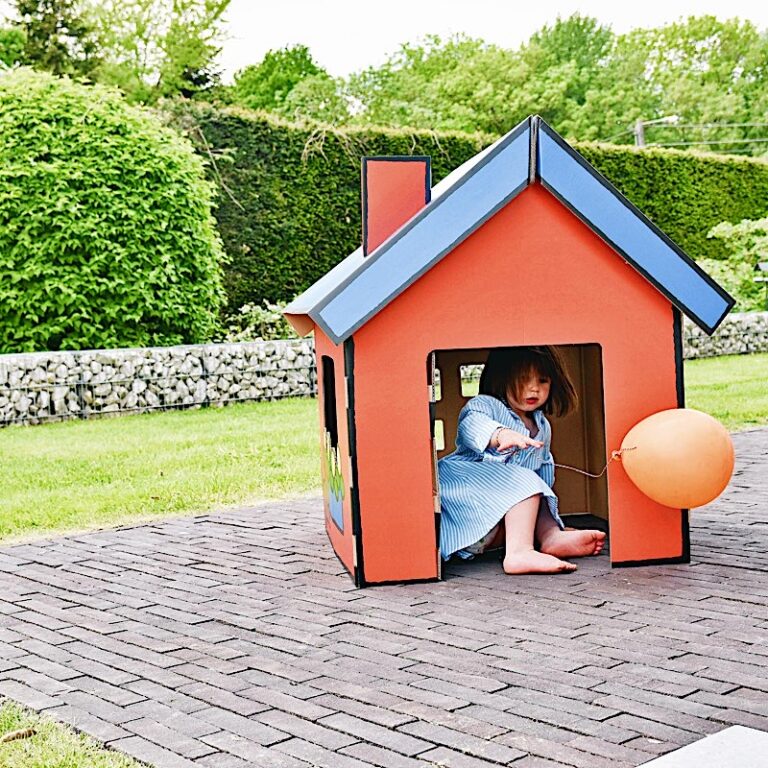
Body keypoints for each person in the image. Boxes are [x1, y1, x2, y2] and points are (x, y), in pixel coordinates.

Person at [438, 346, 606, 574]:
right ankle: (519, 552)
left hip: (498, 523)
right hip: (468, 506)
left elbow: (543, 474)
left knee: (538, 488)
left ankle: (550, 536)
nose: (534, 388)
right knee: (525, 481)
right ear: (502, 378)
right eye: (523, 379)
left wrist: (552, 520)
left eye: (543, 380)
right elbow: (472, 424)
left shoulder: (542, 425)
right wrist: (499, 435)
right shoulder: (487, 405)